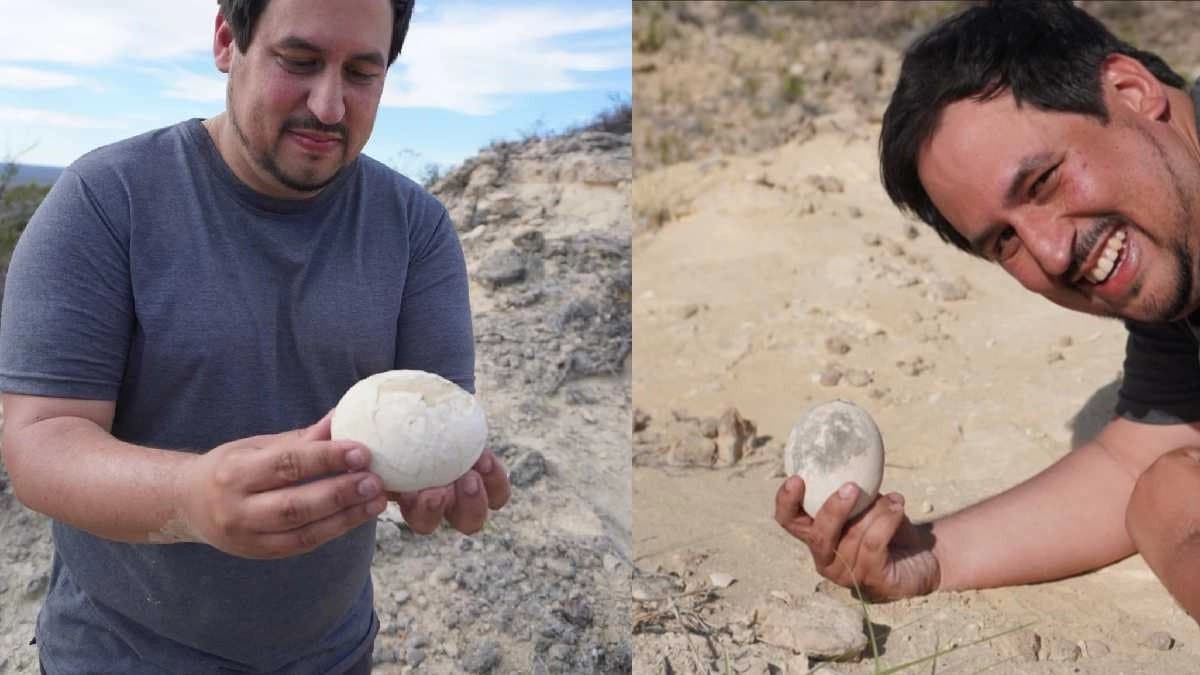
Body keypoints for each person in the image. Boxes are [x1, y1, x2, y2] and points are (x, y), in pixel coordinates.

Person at [0, 0, 510, 672]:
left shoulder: (415, 229)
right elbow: (40, 442)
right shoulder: (107, 199)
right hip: (119, 653)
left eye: (362, 72)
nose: (329, 106)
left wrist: (436, 482)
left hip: (332, 652)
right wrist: (192, 498)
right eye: (298, 62)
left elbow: (433, 416)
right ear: (225, 40)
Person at [774, 0, 1200, 622]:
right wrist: (927, 558)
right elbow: (1127, 463)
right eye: (1005, 241)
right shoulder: (1175, 260)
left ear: (1131, 91)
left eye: (1043, 182)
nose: (1053, 254)